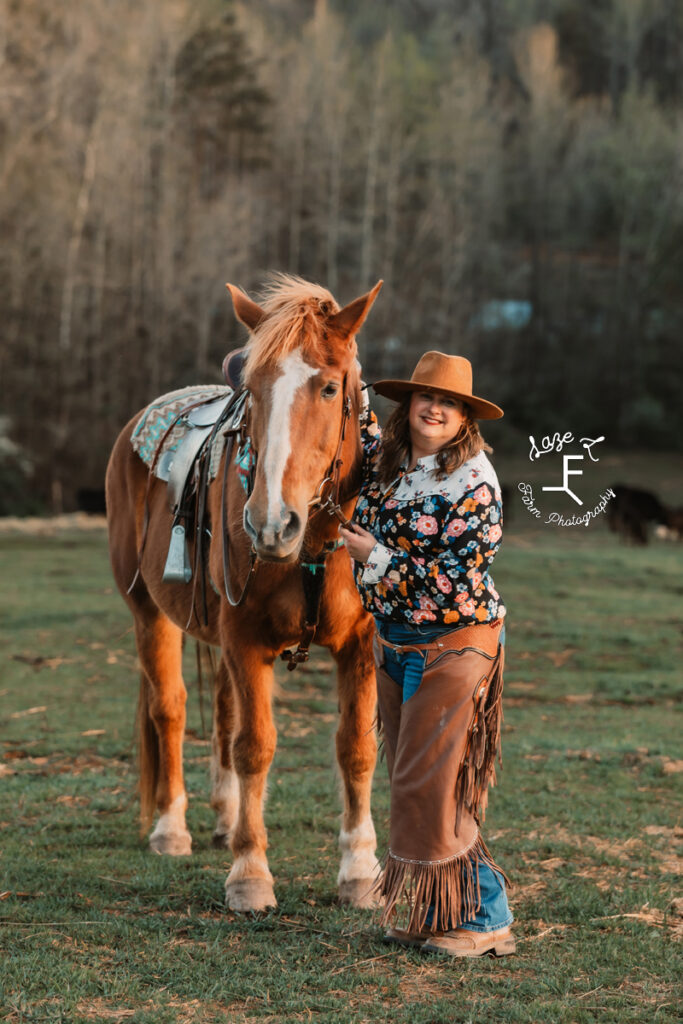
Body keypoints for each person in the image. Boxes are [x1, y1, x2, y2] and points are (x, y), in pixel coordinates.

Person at [339, 351, 515, 958]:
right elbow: (345, 409)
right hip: (394, 640)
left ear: (465, 416)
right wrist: (343, 359)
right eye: (425, 398)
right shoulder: (388, 464)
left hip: (455, 642)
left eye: (450, 403)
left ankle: (489, 915)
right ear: (407, 406)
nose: (435, 408)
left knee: (431, 785)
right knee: (413, 782)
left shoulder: (475, 482)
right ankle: (440, 912)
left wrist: (376, 560)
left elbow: (454, 580)